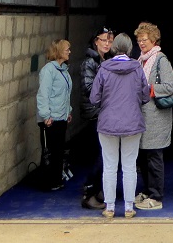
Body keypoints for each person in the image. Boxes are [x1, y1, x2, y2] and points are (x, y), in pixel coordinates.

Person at [89, 32, 149, 219]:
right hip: (132, 122)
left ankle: (110, 207)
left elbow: (94, 98)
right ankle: (129, 207)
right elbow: (145, 96)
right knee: (130, 166)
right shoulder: (137, 68)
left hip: (108, 123)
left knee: (109, 166)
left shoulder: (104, 68)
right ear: (131, 48)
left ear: (114, 48)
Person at [134, 22, 173, 211]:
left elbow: (169, 87)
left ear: (154, 40)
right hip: (143, 116)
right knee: (144, 156)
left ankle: (156, 197)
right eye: (139, 40)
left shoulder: (161, 60)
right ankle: (148, 191)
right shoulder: (141, 60)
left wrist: (148, 89)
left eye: (144, 40)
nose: (141, 43)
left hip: (157, 118)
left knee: (154, 156)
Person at [79, 26, 113, 210]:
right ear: (95, 41)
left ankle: (98, 189)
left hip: (100, 112)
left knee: (104, 154)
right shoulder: (89, 62)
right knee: (100, 155)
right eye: (103, 40)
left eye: (109, 40)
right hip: (94, 114)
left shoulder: (102, 60)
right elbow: (88, 87)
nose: (107, 43)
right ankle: (89, 192)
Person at [35, 39, 72, 191]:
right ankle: (47, 181)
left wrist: (68, 111)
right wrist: (46, 116)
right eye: (67, 49)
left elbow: (65, 94)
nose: (70, 51)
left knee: (58, 151)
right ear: (58, 51)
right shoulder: (48, 71)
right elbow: (43, 94)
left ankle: (56, 179)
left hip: (61, 116)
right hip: (51, 119)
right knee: (50, 151)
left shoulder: (63, 70)